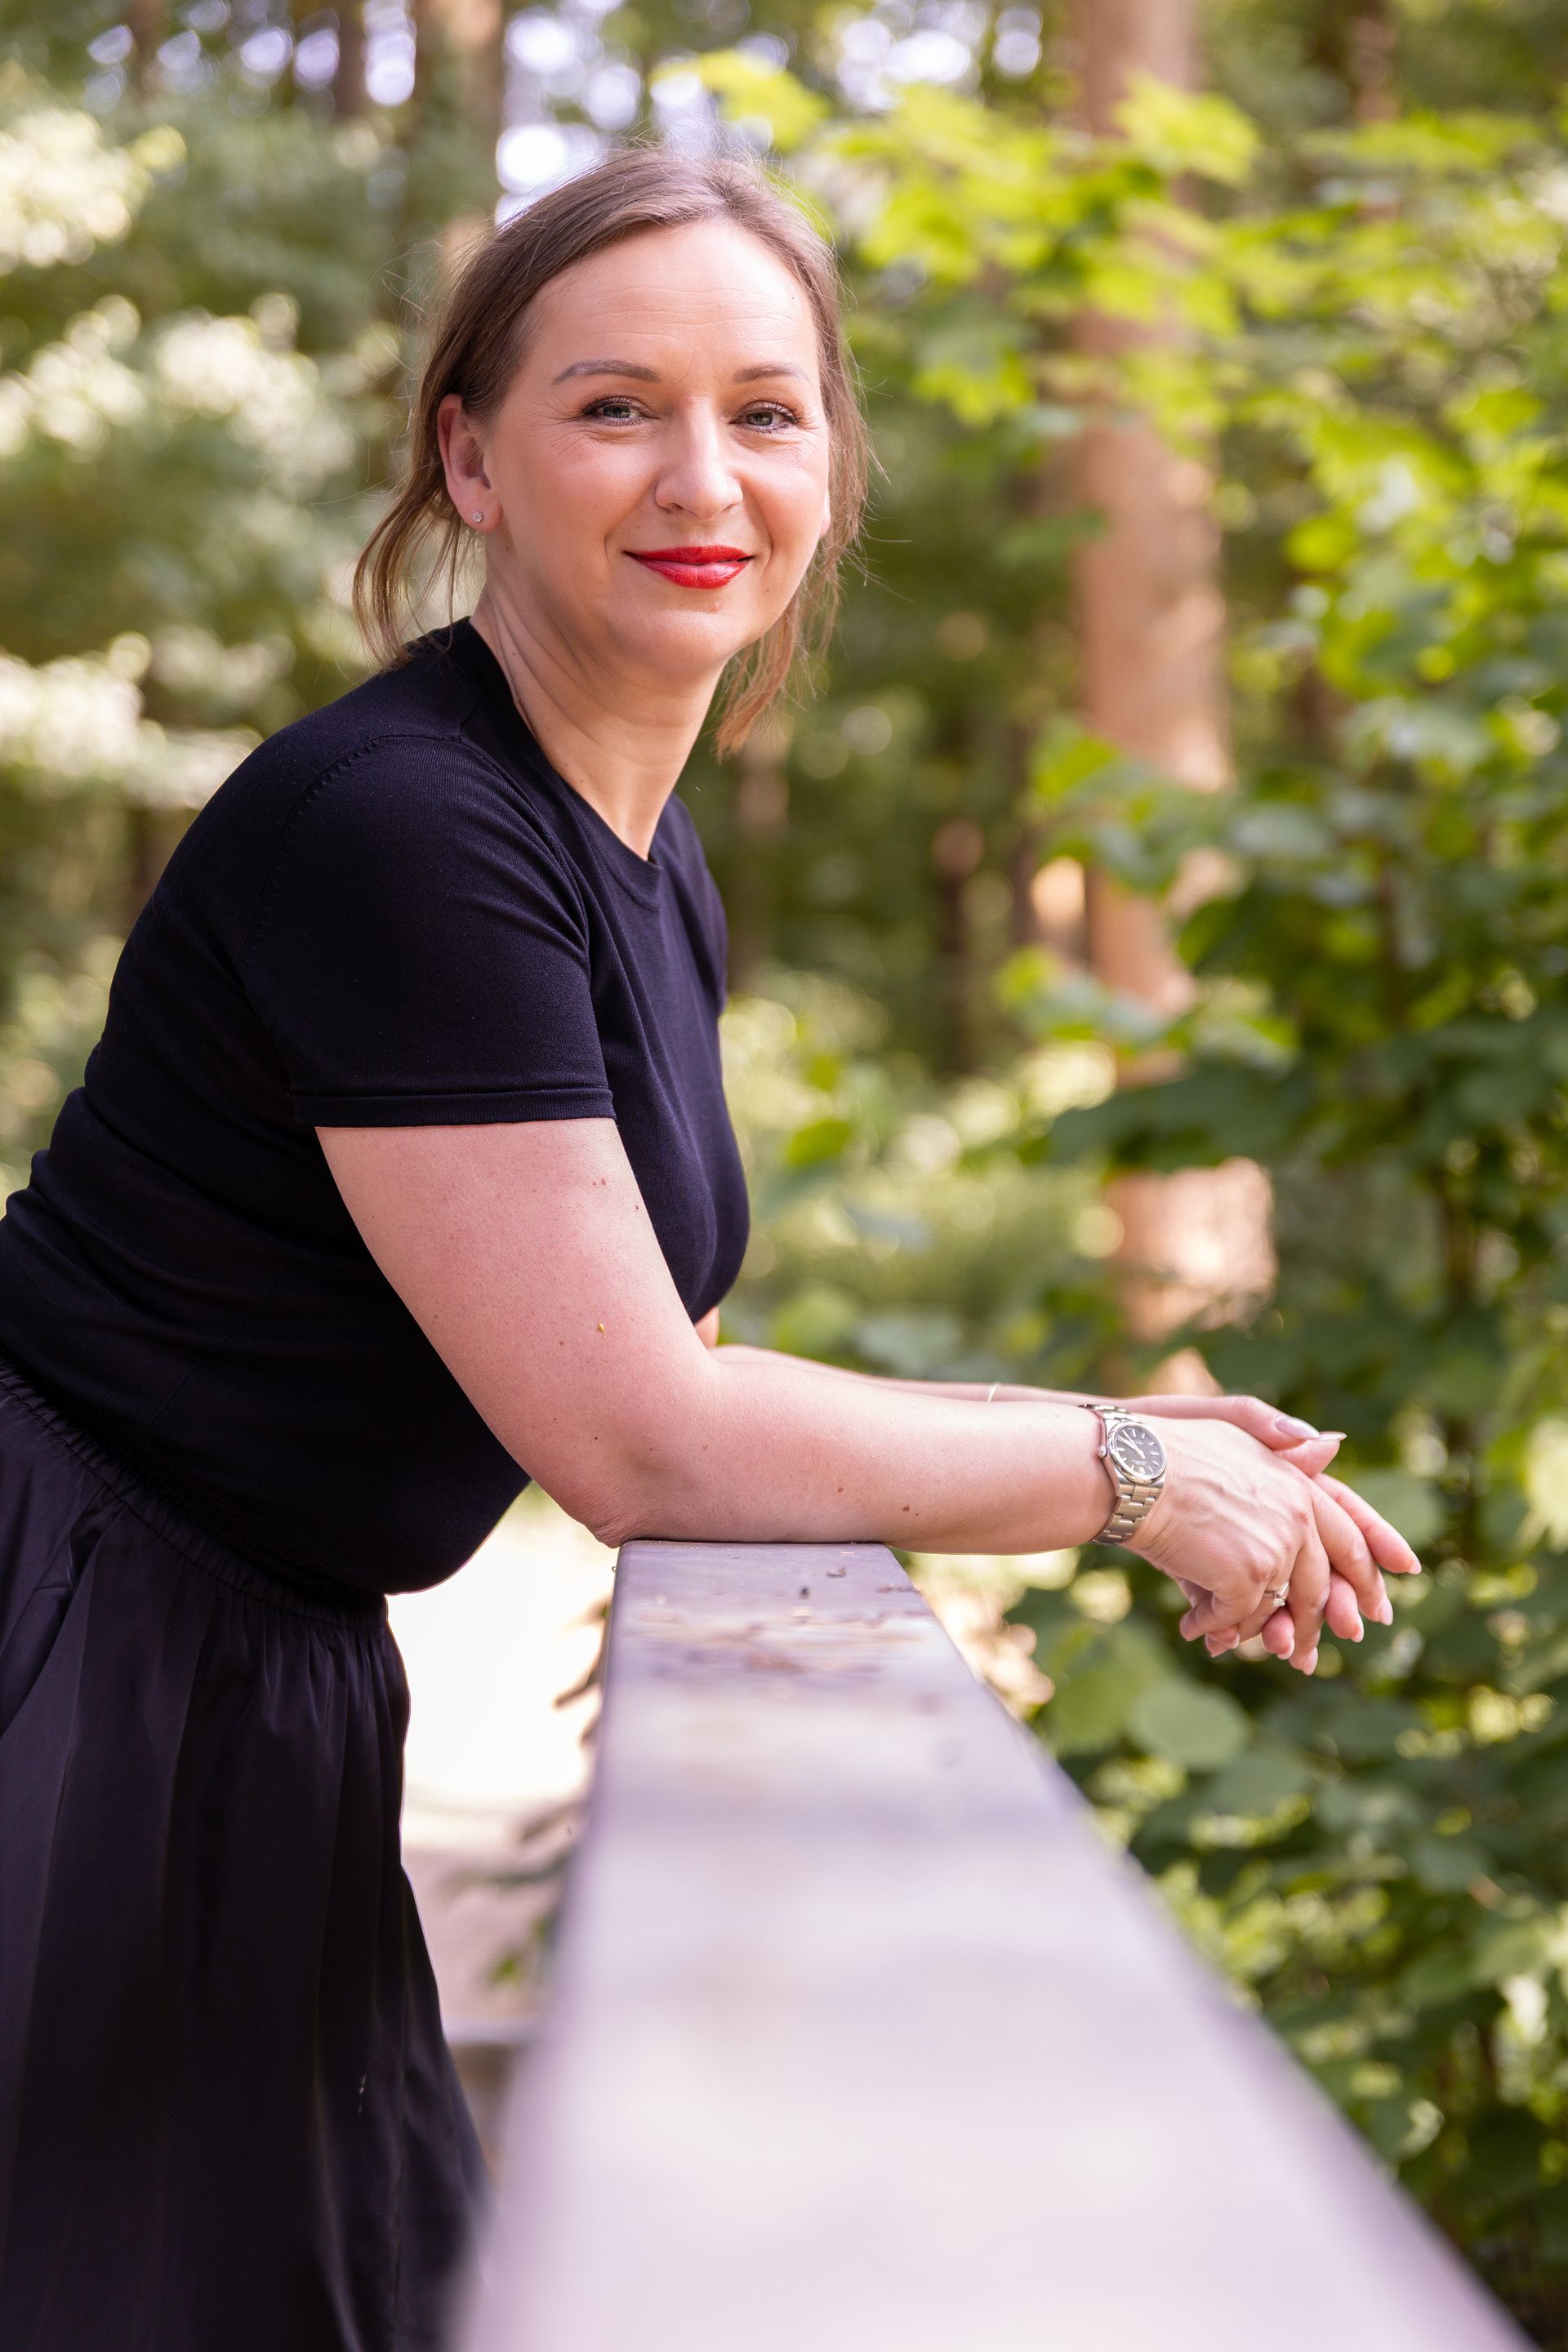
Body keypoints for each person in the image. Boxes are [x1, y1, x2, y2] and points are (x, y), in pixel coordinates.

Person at [0, 145, 1418, 2352]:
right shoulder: (406, 833)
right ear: (468, 454)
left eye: (767, 411)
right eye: (614, 405)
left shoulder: (636, 858)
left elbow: (670, 1353)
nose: (704, 476)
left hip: (246, 1670)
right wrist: (1135, 1487)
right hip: (67, 1646)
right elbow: (644, 1442)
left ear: (834, 469)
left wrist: (1117, 1414)